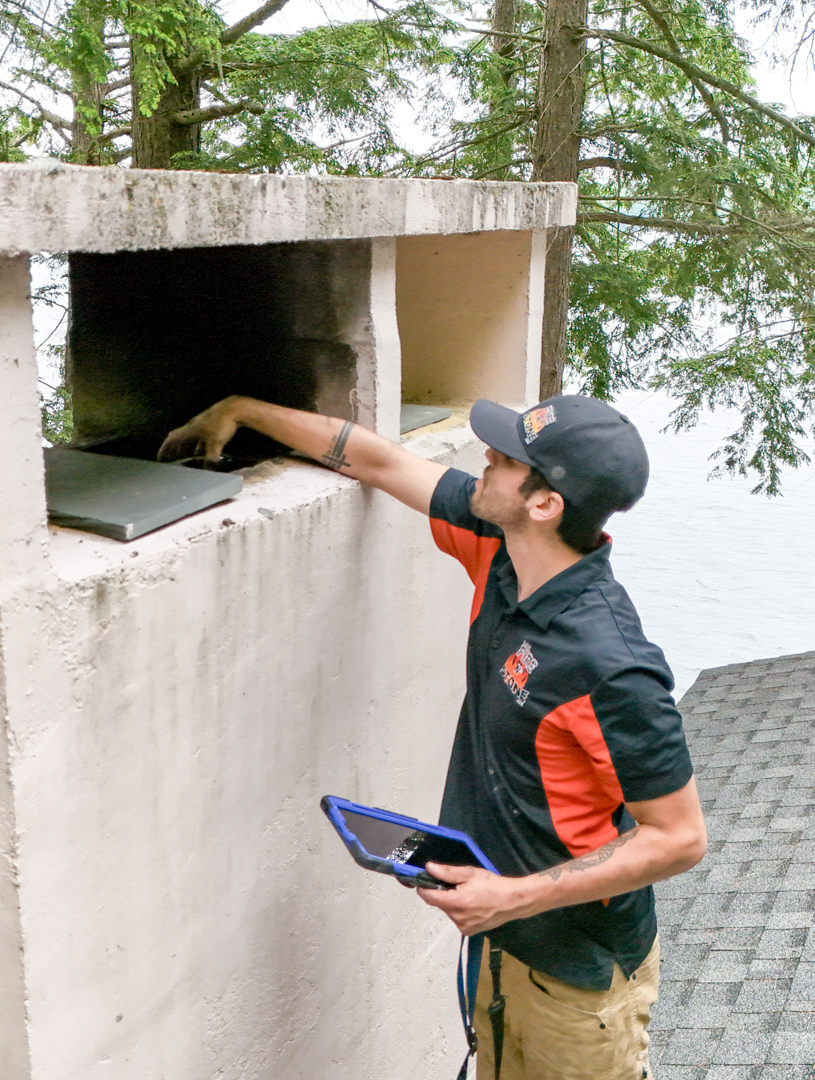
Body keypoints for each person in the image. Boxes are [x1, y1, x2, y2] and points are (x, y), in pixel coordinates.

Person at [159, 393, 707, 1080]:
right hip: (501, 939)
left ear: (545, 504)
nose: (486, 458)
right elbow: (379, 461)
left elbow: (679, 837)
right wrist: (238, 410)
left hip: (578, 974)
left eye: (506, 459)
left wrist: (511, 896)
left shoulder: (609, 664)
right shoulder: (500, 548)